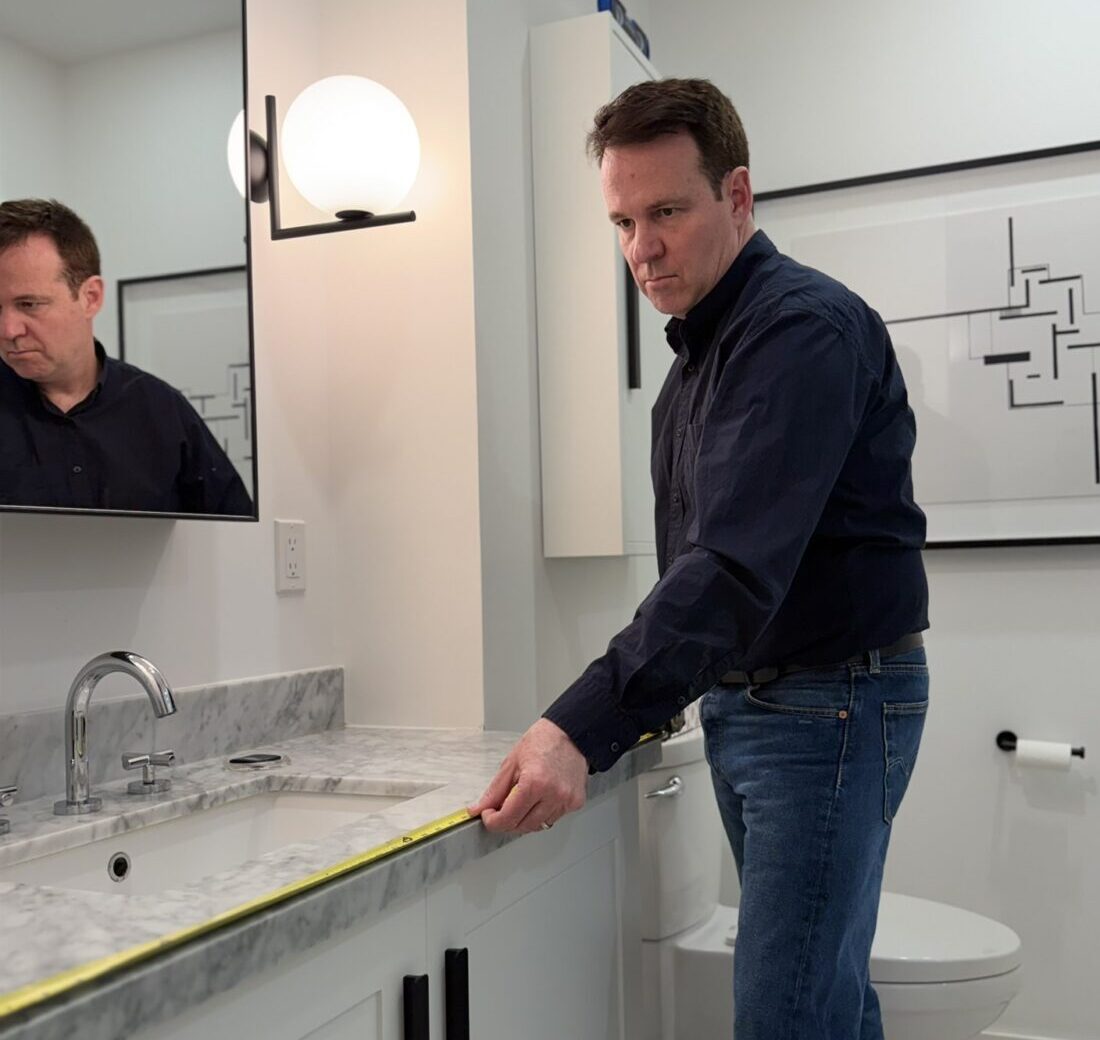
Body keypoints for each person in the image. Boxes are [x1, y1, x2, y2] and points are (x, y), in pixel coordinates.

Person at [470, 79, 929, 1039]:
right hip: (759, 703)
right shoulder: (692, 370)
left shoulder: (800, 331)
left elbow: (727, 568)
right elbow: (699, 571)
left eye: (667, 211)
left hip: (827, 704)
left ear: (739, 196)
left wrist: (577, 725)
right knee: (822, 1001)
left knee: (787, 1014)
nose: (641, 249)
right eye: (624, 221)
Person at [0, 198, 252, 515]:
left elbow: (234, 535)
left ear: (90, 297)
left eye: (29, 304)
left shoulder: (162, 410)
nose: (8, 330)